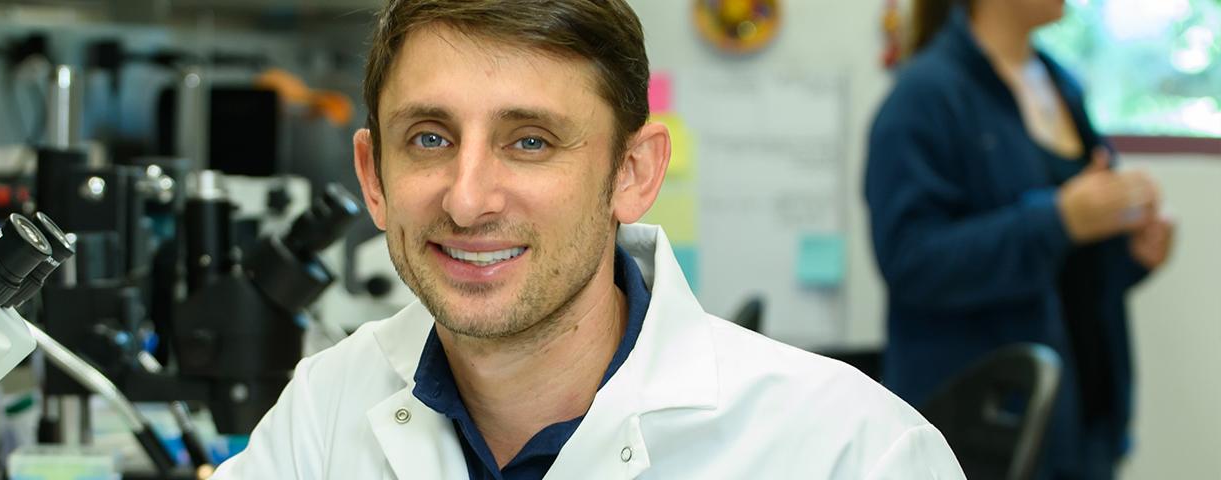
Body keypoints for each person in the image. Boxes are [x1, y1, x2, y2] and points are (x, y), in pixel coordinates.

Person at [213, 0, 964, 478]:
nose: (469, 199)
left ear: (633, 173)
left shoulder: (848, 450)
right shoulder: (324, 410)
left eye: (531, 142)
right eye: (431, 137)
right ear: (374, 178)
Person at [865, 0, 1174, 477]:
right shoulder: (924, 96)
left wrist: (1130, 254)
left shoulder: (1061, 83)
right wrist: (1057, 220)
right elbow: (911, 261)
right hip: (985, 437)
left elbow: (1070, 269)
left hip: (1083, 422)